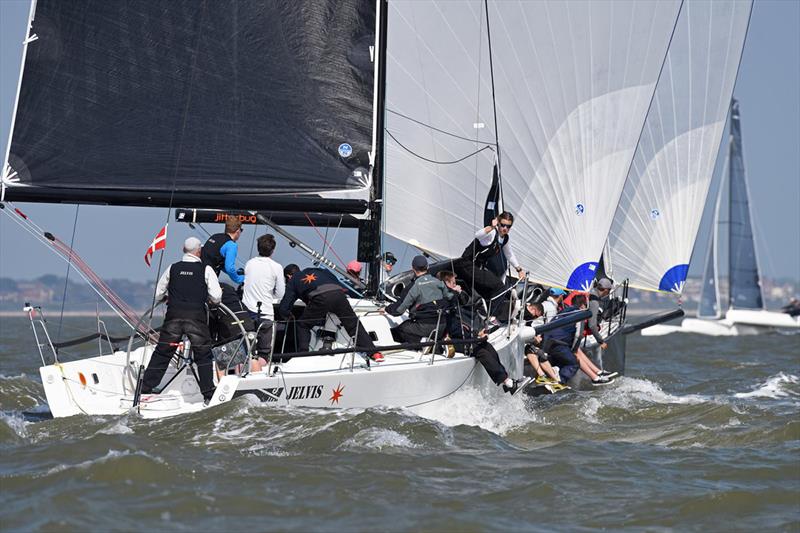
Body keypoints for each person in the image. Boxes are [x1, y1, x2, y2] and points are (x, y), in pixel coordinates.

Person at [141, 237, 222, 403]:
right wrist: (209, 300)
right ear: (199, 251)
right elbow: (217, 296)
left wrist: (165, 298)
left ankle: (145, 389)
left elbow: (157, 294)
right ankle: (208, 394)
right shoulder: (206, 269)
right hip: (196, 319)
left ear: (183, 249)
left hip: (174, 318)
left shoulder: (173, 268)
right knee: (203, 354)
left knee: (163, 352)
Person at [279, 264, 384, 362]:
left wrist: (288, 316)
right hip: (339, 294)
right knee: (353, 324)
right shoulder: (318, 270)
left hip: (321, 299)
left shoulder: (293, 280)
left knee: (302, 324)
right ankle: (374, 353)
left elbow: (284, 307)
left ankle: (303, 356)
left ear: (288, 276)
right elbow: (335, 280)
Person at [453, 212, 525, 317]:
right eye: (502, 225)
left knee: (489, 290)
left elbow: (509, 254)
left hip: (476, 268)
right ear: (498, 223)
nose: (505, 228)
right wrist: (492, 226)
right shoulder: (492, 233)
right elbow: (477, 235)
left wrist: (519, 270)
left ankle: (483, 314)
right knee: (499, 286)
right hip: (466, 265)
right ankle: (492, 317)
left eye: (508, 226)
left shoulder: (504, 239)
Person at [384, 255, 454, 343]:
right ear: (427, 267)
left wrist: (386, 308)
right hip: (443, 325)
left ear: (413, 268)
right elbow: (450, 297)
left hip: (425, 327)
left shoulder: (413, 287)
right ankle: (443, 340)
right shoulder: (439, 282)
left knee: (400, 330)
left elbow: (398, 311)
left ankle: (427, 343)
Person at [242, 234, 285, 369]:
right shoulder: (277, 267)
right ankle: (260, 374)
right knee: (264, 352)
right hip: (265, 312)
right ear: (273, 250)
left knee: (247, 350)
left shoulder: (249, 264)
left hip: (248, 311)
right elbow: (280, 293)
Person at [522, 302, 561, 385]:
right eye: (535, 315)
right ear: (532, 309)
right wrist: (534, 339)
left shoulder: (528, 317)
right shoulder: (522, 312)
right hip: (521, 344)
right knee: (531, 350)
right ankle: (543, 376)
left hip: (524, 344)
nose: (534, 318)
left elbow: (527, 330)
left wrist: (534, 338)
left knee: (540, 353)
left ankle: (554, 379)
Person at [201, 217, 245, 286]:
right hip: (208, 278)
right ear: (238, 231)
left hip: (199, 272)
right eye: (241, 230)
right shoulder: (231, 245)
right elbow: (229, 268)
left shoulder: (215, 236)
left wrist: (236, 272)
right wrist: (241, 279)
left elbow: (216, 259)